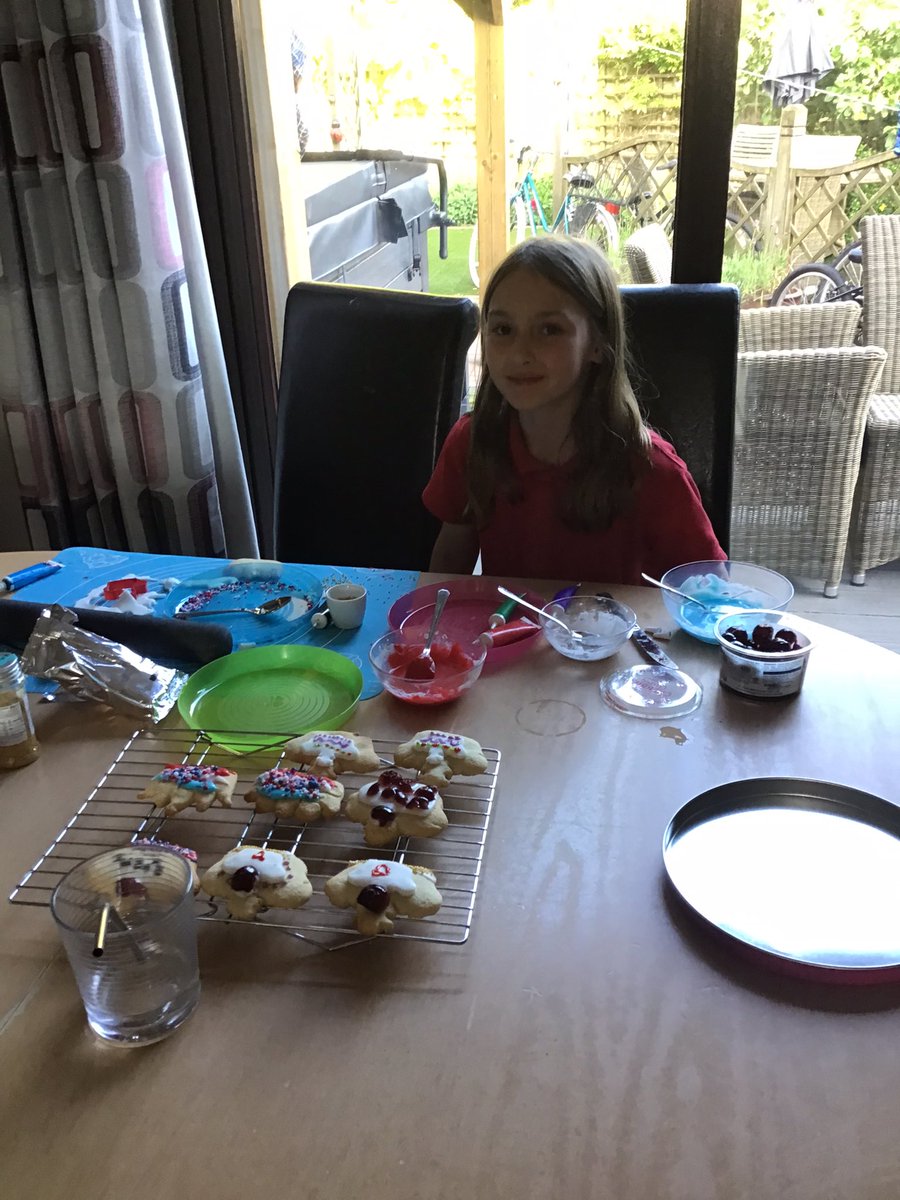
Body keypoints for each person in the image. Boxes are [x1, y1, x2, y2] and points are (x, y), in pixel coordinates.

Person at [423, 236, 726, 583]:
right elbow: (448, 568)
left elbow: (710, 591)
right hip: (504, 636)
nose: (520, 352)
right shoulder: (472, 443)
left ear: (598, 343)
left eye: (550, 330)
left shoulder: (653, 471)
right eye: (503, 329)